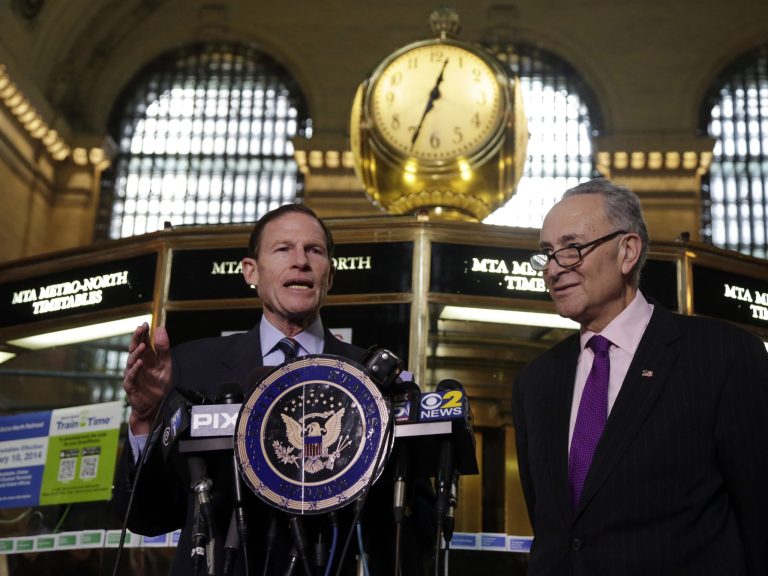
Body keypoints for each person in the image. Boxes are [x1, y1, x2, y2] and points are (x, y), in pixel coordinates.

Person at [116, 203, 433, 576]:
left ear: (329, 275)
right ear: (251, 271)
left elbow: (419, 531)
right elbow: (149, 517)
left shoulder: (376, 380)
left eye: (314, 251)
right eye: (283, 249)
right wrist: (146, 418)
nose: (301, 261)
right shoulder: (193, 368)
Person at [512, 178, 768, 576]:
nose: (553, 268)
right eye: (546, 253)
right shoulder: (536, 382)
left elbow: (758, 516)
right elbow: (554, 526)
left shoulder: (722, 356)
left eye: (572, 248)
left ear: (627, 251)